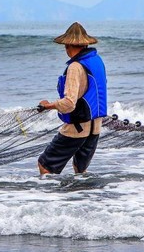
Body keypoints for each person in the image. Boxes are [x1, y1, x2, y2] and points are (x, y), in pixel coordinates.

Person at [37, 22, 107, 175]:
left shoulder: (75, 67)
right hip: (95, 127)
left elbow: (69, 103)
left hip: (78, 127)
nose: (65, 49)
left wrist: (47, 106)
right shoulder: (97, 61)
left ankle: (49, 198)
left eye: (66, 46)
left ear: (68, 45)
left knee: (46, 166)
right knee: (80, 170)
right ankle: (83, 197)